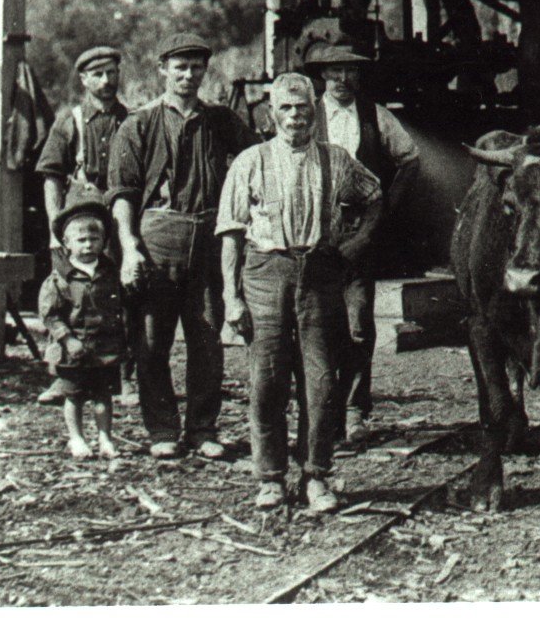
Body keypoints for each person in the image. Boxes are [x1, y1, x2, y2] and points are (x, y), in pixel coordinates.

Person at [216, 72, 382, 512]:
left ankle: (316, 476)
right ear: (272, 115)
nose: (295, 117)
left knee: (322, 379)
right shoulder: (250, 161)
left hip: (320, 274)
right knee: (266, 379)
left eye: (303, 108)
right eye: (286, 109)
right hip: (265, 273)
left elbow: (375, 196)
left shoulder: (337, 159)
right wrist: (231, 298)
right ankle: (270, 477)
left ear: (316, 112)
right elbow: (231, 234)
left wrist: (357, 242)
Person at [107, 33, 256, 460]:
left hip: (209, 236)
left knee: (207, 338)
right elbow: (122, 194)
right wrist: (130, 246)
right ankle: (162, 430)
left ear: (204, 71)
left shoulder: (221, 121)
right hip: (158, 236)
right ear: (163, 70)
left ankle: (203, 429)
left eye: (195, 67)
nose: (188, 75)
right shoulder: (138, 123)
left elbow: (257, 161)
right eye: (180, 67)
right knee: (152, 340)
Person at [302, 42, 419, 443]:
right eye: (333, 72)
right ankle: (315, 410)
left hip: (360, 231)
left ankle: (354, 411)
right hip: (312, 230)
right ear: (321, 76)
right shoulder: (305, 115)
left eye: (350, 71)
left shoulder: (375, 116)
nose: (342, 80)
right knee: (311, 320)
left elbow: (410, 159)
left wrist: (385, 210)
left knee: (357, 323)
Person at [34, 46, 132, 406]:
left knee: (117, 295)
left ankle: (123, 375)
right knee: (65, 293)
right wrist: (53, 229)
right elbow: (51, 177)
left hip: (117, 222)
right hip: (77, 224)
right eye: (99, 74)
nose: (107, 81)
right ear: (84, 79)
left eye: (112, 73)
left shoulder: (131, 119)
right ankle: (63, 376)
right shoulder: (70, 119)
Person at [38, 200, 126, 460]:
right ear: (67, 244)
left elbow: (119, 305)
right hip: (73, 349)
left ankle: (105, 438)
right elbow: (49, 313)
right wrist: (67, 339)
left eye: (94, 239)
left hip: (104, 347)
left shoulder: (110, 272)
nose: (88, 245)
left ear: (103, 241)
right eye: (81, 240)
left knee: (103, 395)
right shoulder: (61, 277)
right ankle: (76, 438)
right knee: (74, 396)